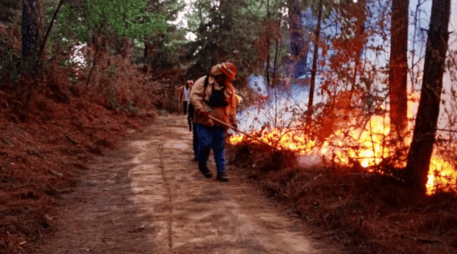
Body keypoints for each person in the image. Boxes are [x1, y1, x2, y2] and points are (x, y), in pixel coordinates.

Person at [189, 62, 238, 182]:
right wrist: (203, 110)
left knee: (219, 147)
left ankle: (221, 172)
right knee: (205, 144)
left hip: (221, 123)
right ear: (221, 74)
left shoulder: (229, 87)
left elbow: (232, 106)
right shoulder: (204, 82)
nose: (228, 81)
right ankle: (202, 164)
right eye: (227, 78)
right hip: (204, 122)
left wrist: (233, 121)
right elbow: (194, 97)